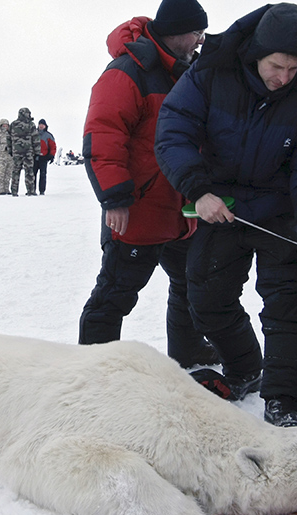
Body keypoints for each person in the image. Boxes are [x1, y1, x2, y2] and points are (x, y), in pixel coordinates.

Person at [155, 3, 297, 425]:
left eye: (294, 67)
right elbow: (174, 130)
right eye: (278, 65)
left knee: (288, 306)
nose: (284, 77)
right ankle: (245, 368)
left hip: (285, 208)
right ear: (257, 52)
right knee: (204, 295)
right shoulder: (211, 71)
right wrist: (198, 190)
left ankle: (284, 401)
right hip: (223, 204)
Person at [79, 0, 219, 368]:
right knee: (115, 294)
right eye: (196, 33)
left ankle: (188, 351)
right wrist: (114, 199)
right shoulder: (128, 71)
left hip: (180, 210)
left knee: (190, 285)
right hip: (137, 210)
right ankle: (94, 368)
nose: (200, 40)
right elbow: (103, 137)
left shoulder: (185, 73)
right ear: (177, 31)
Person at [10, 107, 41, 196]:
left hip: (16, 152)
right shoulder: (31, 124)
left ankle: (14, 191)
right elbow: (35, 139)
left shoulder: (13, 124)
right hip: (28, 153)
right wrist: (37, 152)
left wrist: (10, 150)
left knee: (16, 171)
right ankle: (31, 191)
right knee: (29, 172)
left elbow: (8, 138)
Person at [35, 119, 57, 195]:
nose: (41, 126)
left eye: (42, 125)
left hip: (43, 158)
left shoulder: (48, 135)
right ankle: (32, 190)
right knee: (32, 175)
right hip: (34, 157)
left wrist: (51, 155)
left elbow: (53, 147)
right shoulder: (34, 134)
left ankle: (42, 190)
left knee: (43, 175)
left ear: (45, 126)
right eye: (40, 124)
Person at [0, 118, 13, 195]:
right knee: (1, 174)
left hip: (10, 158)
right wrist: (4, 148)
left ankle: (6, 189)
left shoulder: (11, 135)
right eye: (3, 125)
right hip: (1, 158)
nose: (5, 127)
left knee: (8, 174)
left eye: (6, 125)